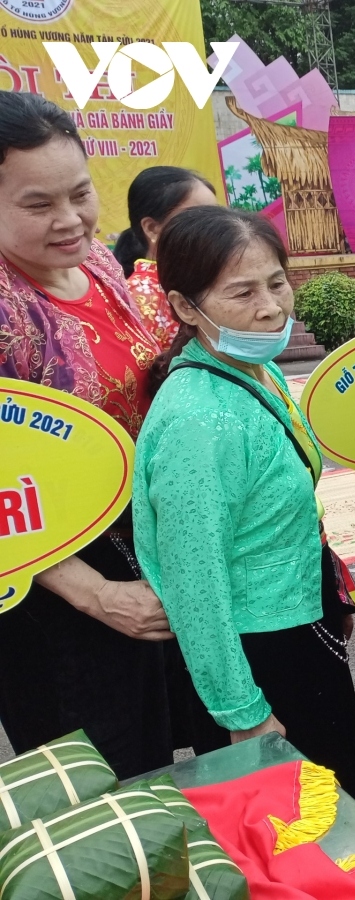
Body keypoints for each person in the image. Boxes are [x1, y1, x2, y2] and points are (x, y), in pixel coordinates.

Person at [131, 206, 355, 813]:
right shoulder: (199, 419)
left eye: (277, 282)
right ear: (186, 308)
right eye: (241, 292)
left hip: (297, 628)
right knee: (301, 834)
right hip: (260, 658)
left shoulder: (251, 370)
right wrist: (243, 712)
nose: (271, 307)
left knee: (340, 820)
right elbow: (195, 583)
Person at [0, 91, 174, 779]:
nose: (70, 220)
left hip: (133, 552)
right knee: (95, 797)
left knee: (153, 768)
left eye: (79, 193)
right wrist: (93, 594)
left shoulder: (100, 266)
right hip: (50, 591)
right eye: (38, 205)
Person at [114, 166, 218, 350]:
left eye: (216, 216)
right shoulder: (138, 299)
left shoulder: (206, 281)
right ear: (152, 228)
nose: (214, 228)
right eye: (197, 218)